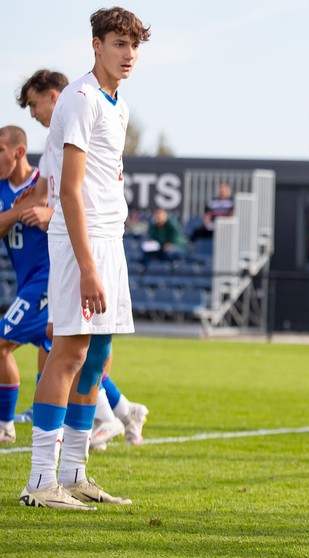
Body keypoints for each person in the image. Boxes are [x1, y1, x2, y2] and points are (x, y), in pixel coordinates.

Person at [18, 7, 150, 511]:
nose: (129, 54)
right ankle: (39, 481)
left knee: (96, 356)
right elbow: (69, 193)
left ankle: (74, 474)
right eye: (119, 43)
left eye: (134, 45)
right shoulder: (78, 99)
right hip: (82, 241)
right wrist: (89, 266)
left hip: (108, 238)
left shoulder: (118, 104)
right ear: (96, 45)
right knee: (67, 353)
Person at [0, 126, 52, 444]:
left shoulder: (44, 184)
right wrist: (18, 211)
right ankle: (121, 412)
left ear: (18, 152)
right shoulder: (3, 190)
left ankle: (5, 425)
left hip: (48, 280)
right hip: (27, 283)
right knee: (61, 355)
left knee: (1, 343)